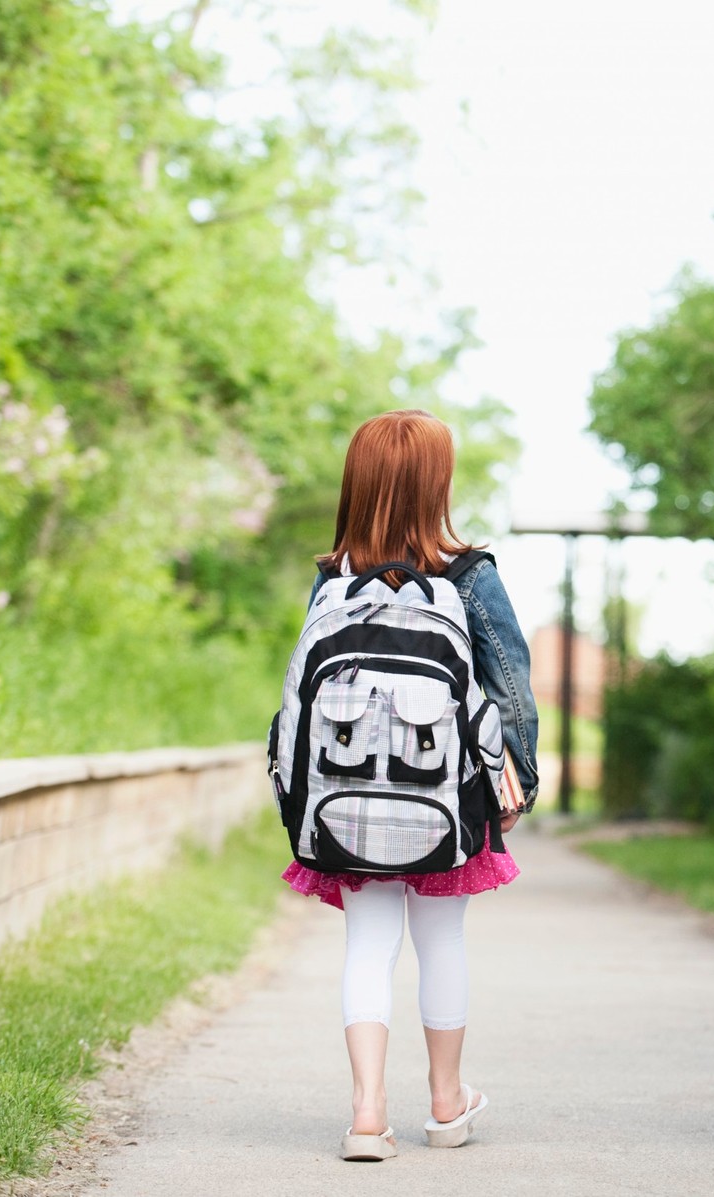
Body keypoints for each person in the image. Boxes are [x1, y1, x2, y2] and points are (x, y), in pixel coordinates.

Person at [280, 408, 539, 1161]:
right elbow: (510, 686)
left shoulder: (333, 580)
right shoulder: (470, 576)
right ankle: (446, 1103)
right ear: (439, 483)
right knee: (441, 940)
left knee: (367, 942)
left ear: (356, 484)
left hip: (346, 799)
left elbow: (303, 701)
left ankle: (366, 1113)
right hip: (448, 797)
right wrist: (517, 778)